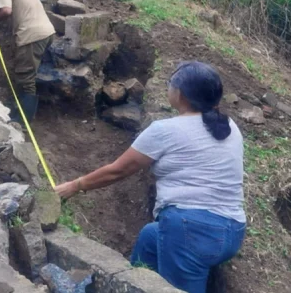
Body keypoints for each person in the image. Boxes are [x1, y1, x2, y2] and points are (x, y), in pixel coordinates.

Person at [54, 61, 246, 293]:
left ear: (181, 95)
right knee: (150, 236)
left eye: (170, 84)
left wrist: (76, 185)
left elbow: (118, 170)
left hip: (190, 231)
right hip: (232, 231)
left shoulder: (165, 130)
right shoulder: (229, 126)